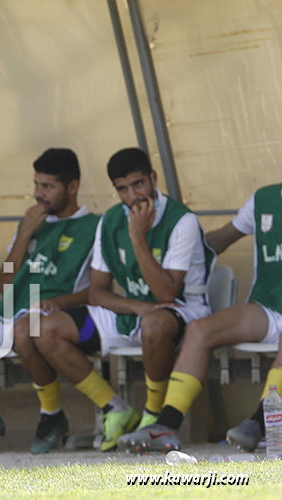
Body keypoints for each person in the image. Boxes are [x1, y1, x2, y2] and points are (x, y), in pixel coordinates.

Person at [32, 147, 214, 451]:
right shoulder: (111, 220)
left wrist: (137, 238)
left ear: (154, 178)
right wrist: (136, 306)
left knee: (154, 324)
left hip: (183, 311)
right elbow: (97, 291)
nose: (133, 196)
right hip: (134, 311)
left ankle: (152, 415)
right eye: (123, 189)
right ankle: (115, 408)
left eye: (139, 184)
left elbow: (167, 293)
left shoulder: (182, 221)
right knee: (43, 328)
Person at [0, 148, 99, 454]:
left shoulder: (95, 226)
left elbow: (97, 288)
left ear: (73, 186)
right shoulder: (31, 222)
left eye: (48, 187)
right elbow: (5, 283)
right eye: (36, 185)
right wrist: (24, 235)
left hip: (52, 320)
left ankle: (52, 416)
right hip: (6, 314)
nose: (39, 194)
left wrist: (61, 303)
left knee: (27, 330)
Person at [118, 183, 282, 453]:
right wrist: (185, 247)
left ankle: (260, 424)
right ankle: (166, 426)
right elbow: (220, 241)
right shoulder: (263, 198)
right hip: (269, 305)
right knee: (200, 330)